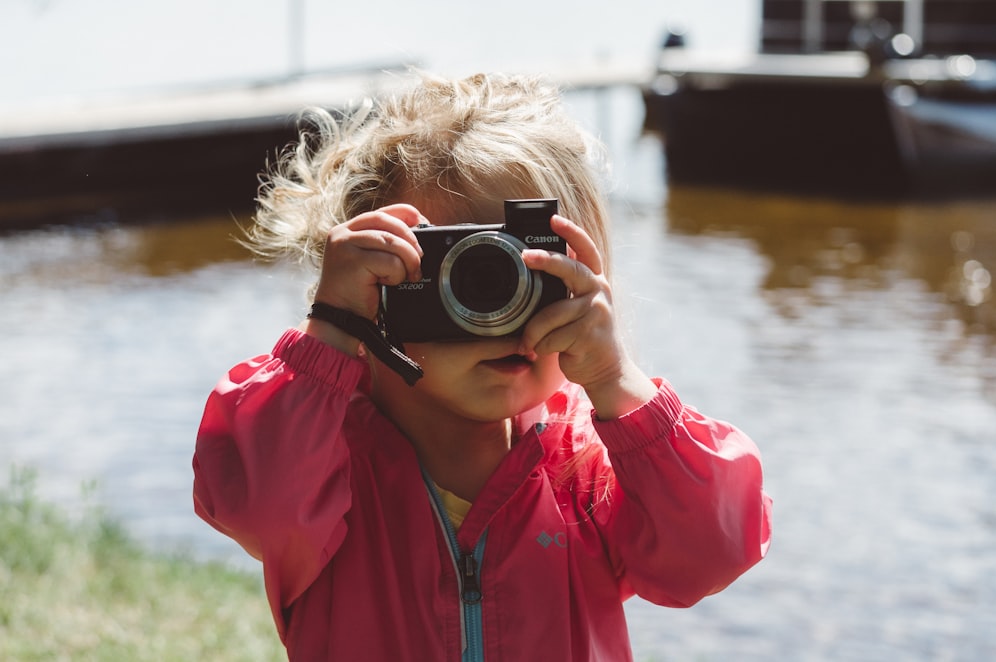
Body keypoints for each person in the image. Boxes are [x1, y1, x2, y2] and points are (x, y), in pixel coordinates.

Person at [193, 71, 772, 661]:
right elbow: (252, 506)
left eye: (532, 272)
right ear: (375, 284)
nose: (500, 312)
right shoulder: (325, 462)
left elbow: (713, 553)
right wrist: (333, 332)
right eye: (463, 273)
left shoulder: (584, 469)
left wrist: (615, 381)